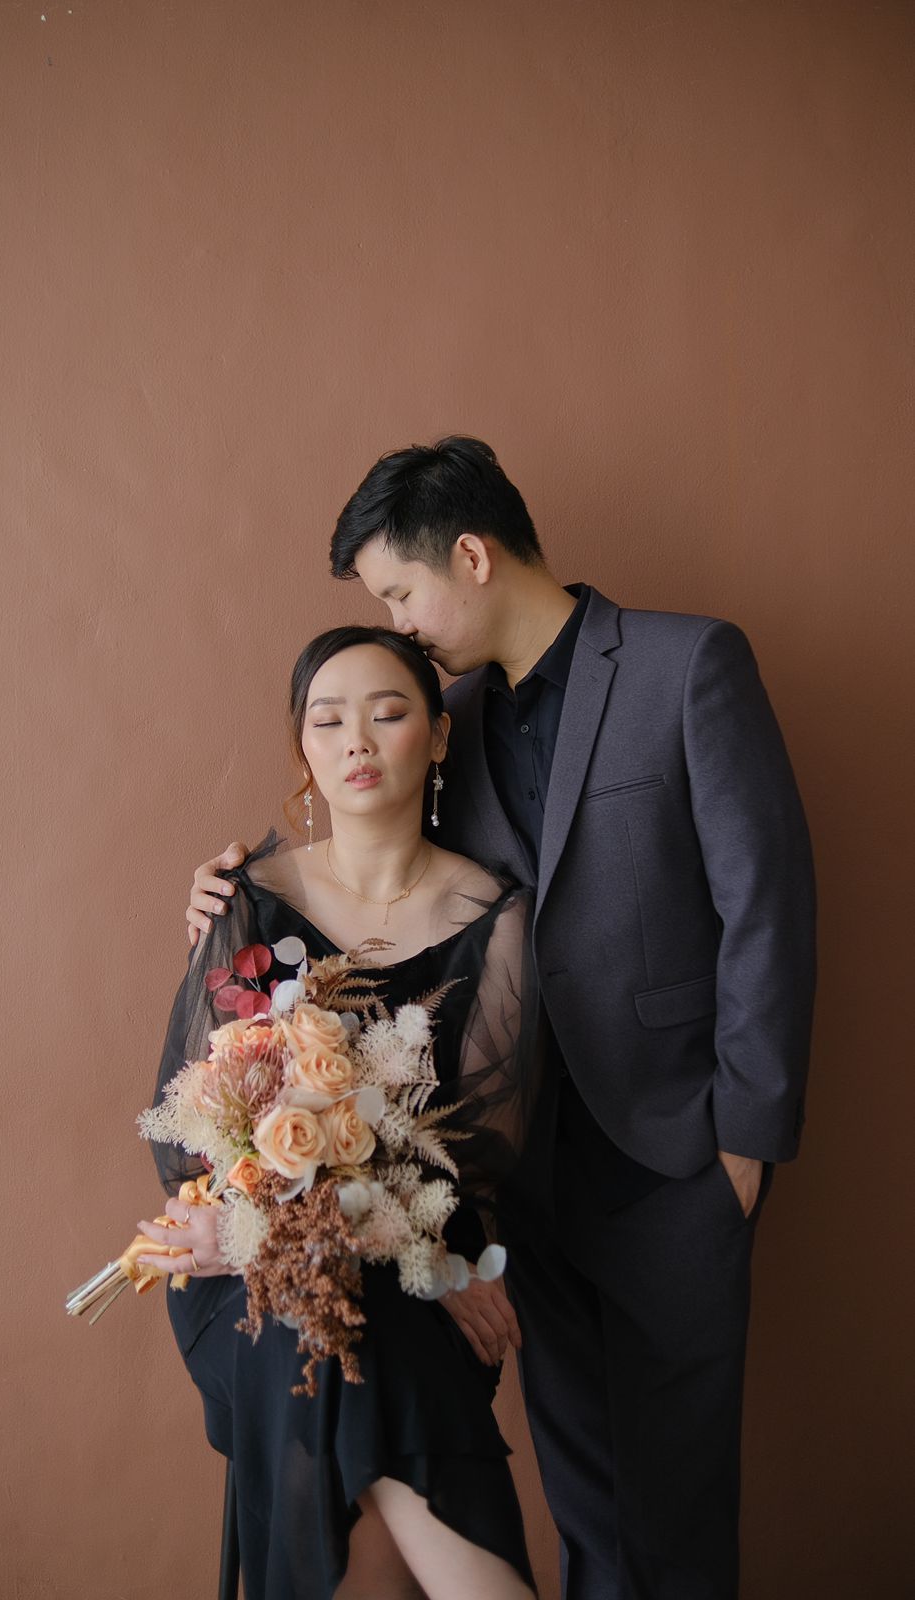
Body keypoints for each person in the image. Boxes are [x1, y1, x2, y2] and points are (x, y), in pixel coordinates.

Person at [187, 437, 817, 1600]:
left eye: (399, 593)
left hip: (679, 1153)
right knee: (585, 1497)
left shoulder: (687, 663)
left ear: (470, 555)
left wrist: (746, 1140)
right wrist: (229, 891)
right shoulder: (446, 716)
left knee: (677, 1504)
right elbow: (371, 856)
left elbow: (766, 902)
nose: (397, 622)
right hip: (521, 1175)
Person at [135, 625, 543, 1600]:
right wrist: (293, 1235)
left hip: (422, 1255)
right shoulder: (244, 899)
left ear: (437, 736)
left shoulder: (492, 915)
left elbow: (478, 1154)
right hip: (243, 1256)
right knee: (319, 1323)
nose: (356, 739)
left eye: (388, 713)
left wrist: (401, 1249)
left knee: (344, 1339)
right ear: (304, 750)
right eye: (328, 721)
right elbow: (199, 1132)